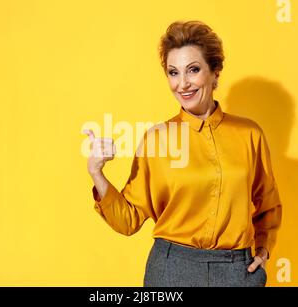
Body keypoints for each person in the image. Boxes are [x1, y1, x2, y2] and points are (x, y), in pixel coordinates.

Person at [84, 20, 282, 287]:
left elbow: (268, 205)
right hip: (172, 270)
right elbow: (128, 220)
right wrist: (97, 172)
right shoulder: (156, 139)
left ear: (215, 73)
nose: (183, 83)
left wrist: (264, 249)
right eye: (173, 73)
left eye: (193, 70)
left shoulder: (249, 134)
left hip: (237, 271)